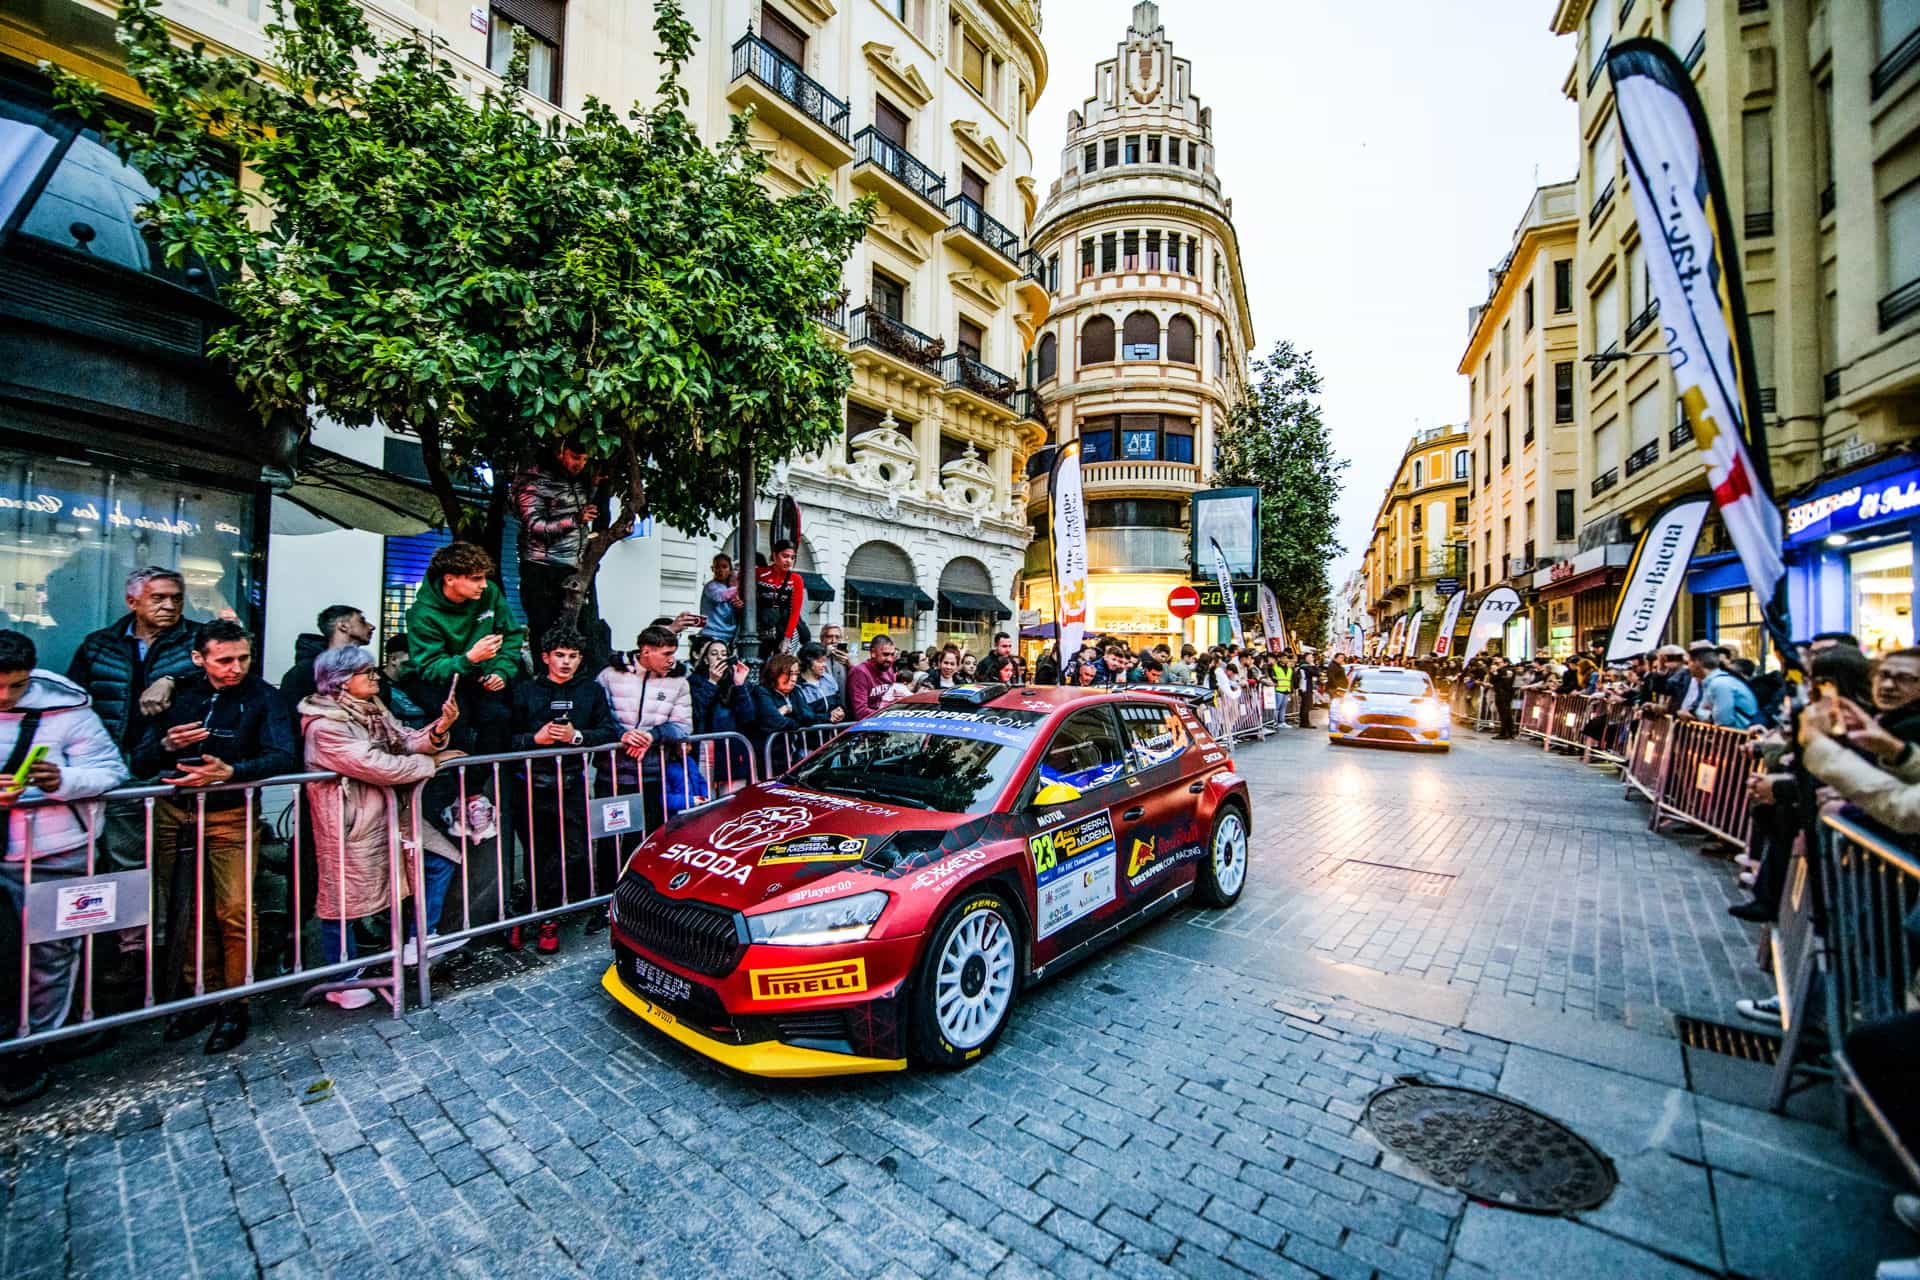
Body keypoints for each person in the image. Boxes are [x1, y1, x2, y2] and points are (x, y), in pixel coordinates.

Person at [131, 620, 296, 1054]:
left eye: (243, 658)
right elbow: (140, 758)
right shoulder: (178, 693)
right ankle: (200, 994)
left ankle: (234, 1002)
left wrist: (232, 773)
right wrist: (166, 743)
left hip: (232, 814)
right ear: (198, 659)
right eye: (225, 660)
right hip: (174, 813)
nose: (235, 668)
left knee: (235, 911)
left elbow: (283, 754)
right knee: (187, 908)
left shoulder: (264, 696)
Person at [0, 630, 128, 1105]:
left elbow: (112, 770)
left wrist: (63, 780)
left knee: (51, 953)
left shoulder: (67, 708)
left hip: (53, 848)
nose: (5, 697)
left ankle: (33, 1045)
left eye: (15, 685)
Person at [298, 646, 463, 1010]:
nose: (375, 678)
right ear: (342, 681)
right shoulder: (325, 725)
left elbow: (404, 740)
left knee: (439, 860)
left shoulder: (373, 710)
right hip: (351, 823)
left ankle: (418, 939)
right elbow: (376, 764)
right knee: (344, 899)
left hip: (389, 815)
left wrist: (439, 730)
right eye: (367, 673)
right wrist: (431, 764)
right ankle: (344, 978)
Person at [509, 625, 618, 954]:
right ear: (545, 657)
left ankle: (545, 912)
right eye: (560, 655)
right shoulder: (526, 691)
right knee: (535, 851)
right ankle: (531, 915)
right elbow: (505, 738)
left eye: (572, 656)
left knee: (569, 852)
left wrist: (577, 737)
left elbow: (607, 730)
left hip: (571, 783)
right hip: (529, 783)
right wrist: (535, 740)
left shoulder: (590, 692)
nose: (566, 662)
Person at [404, 542, 525, 758]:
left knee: (500, 717)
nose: (484, 585)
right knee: (458, 723)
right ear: (450, 579)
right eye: (476, 578)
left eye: (484, 577)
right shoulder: (421, 614)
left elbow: (512, 635)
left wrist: (501, 670)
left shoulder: (490, 594)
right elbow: (429, 668)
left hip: (484, 676)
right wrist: (469, 658)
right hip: (443, 682)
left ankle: (480, 785)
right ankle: (466, 788)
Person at [512, 443, 604, 662]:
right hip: (541, 567)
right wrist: (576, 520)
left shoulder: (575, 482)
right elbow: (535, 525)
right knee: (544, 629)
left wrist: (593, 489)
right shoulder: (534, 481)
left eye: (584, 459)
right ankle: (545, 681)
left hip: (570, 566)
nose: (580, 464)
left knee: (576, 629)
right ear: (559, 451)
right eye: (575, 457)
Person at [598, 626, 695, 831]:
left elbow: (683, 726)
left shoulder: (679, 682)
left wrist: (650, 737)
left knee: (646, 836)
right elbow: (597, 716)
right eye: (666, 654)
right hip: (611, 771)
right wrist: (622, 735)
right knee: (609, 838)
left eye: (673, 653)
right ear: (646, 651)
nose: (672, 660)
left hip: (653, 773)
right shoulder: (609, 675)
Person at [277, 605, 373, 724]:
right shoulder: (304, 672)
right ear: (343, 626)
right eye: (362, 621)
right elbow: (289, 721)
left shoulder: (369, 671)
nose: (371, 626)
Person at [754, 540, 808, 659]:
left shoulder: (796, 579)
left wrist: (787, 639)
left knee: (781, 665)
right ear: (774, 555)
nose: (789, 561)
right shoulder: (760, 574)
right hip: (762, 626)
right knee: (759, 663)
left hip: (786, 629)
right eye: (785, 556)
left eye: (792, 557)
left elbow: (795, 611)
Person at [1680, 647, 1758, 729]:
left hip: (1738, 735)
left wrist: (1700, 714)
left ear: (1697, 663)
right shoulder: (1713, 682)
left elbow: (1723, 720)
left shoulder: (1719, 684)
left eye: (1688, 662)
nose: (1687, 667)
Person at [794, 644, 847, 727]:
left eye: (824, 661)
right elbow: (806, 717)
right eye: (819, 661)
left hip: (833, 733)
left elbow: (839, 702)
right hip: (811, 737)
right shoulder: (798, 687)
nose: (824, 665)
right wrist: (828, 717)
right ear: (808, 662)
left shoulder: (829, 679)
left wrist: (840, 712)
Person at [847, 636, 898, 719]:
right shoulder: (860, 672)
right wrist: (888, 716)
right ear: (873, 653)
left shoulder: (888, 668)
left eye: (892, 654)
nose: (890, 659)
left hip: (883, 722)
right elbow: (860, 711)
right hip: (866, 726)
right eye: (885, 654)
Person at [699, 554, 742, 649]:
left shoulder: (729, 588)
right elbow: (721, 596)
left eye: (724, 567)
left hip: (728, 635)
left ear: (730, 570)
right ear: (712, 569)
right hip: (712, 633)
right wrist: (741, 586)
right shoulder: (711, 586)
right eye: (717, 567)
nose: (720, 570)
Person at [819, 624, 853, 707]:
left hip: (843, 704)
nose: (833, 641)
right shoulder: (817, 655)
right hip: (825, 705)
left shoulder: (845, 656)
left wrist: (849, 664)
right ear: (822, 639)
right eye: (829, 637)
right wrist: (826, 654)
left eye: (837, 637)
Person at [1491, 658, 1519, 739]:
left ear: (1505, 663)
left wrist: (1496, 672)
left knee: (1504, 714)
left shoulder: (1506, 671)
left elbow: (1500, 681)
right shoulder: (1501, 671)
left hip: (1503, 694)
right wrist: (1495, 672)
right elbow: (1492, 680)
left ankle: (1504, 733)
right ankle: (1510, 732)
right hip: (1502, 693)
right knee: (1506, 713)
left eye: (1499, 663)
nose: (1497, 664)